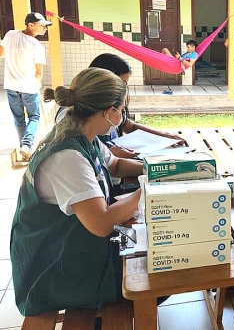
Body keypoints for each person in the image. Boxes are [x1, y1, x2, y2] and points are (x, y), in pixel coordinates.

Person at [10, 68, 145, 316]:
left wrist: (157, 170)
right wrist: (147, 189)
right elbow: (102, 223)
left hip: (74, 246)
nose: (121, 115)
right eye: (121, 110)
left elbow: (114, 164)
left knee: (151, 243)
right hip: (55, 269)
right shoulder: (68, 157)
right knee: (151, 271)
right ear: (108, 112)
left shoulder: (84, 134)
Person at [54, 53, 188, 159]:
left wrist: (163, 136)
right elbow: (82, 153)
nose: (124, 89)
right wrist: (112, 153)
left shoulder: (108, 108)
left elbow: (128, 126)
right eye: (122, 83)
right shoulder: (72, 118)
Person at [0, 12, 53, 161]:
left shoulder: (10, 35)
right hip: (29, 87)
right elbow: (38, 73)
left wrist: (13, 52)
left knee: (19, 118)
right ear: (30, 25)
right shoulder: (37, 46)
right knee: (34, 117)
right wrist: (37, 85)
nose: (45, 28)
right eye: (42, 25)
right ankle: (27, 145)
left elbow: (1, 53)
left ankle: (24, 147)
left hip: (11, 85)